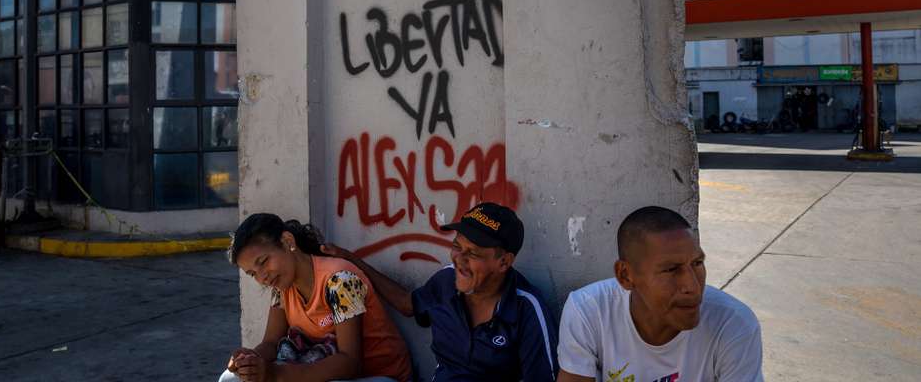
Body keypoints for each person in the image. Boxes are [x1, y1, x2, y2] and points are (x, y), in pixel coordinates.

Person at [324, 202, 558, 381]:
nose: (459, 259)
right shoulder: (447, 281)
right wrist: (352, 261)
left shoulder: (526, 310)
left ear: (504, 262)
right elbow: (408, 304)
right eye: (457, 246)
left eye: (473, 253)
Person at [556, 206, 763, 382]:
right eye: (671, 269)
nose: (692, 286)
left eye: (697, 263)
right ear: (626, 276)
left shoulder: (732, 324)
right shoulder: (589, 311)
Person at [220, 214, 411, 382]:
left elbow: (349, 363)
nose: (262, 277)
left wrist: (276, 375)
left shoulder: (339, 281)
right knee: (231, 379)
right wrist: (249, 361)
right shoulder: (282, 287)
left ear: (288, 242)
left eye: (263, 262)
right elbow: (271, 342)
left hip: (380, 376)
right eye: (253, 274)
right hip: (318, 369)